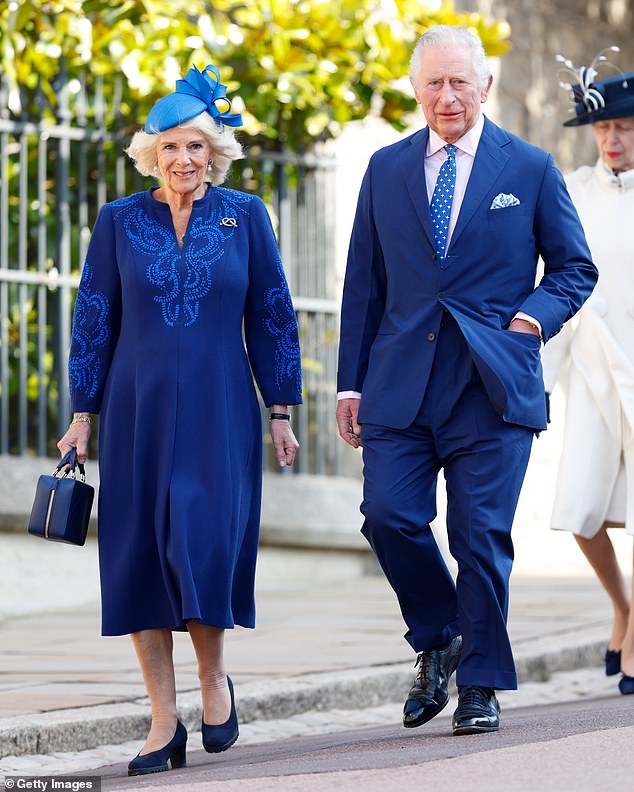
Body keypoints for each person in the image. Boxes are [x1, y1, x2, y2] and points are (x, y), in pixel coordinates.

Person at [336, 25, 597, 736]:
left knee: (480, 537)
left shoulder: (531, 168)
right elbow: (364, 284)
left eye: (460, 83)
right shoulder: (385, 169)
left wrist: (529, 322)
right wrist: (349, 385)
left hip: (491, 385)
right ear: (416, 90)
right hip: (399, 384)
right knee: (388, 517)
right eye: (434, 84)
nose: (447, 97)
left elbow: (575, 269)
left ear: (485, 87)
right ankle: (441, 635)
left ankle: (480, 684)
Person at [56, 64, 302, 775]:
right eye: (171, 147)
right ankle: (164, 721)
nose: (184, 160)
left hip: (220, 410)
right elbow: (94, 317)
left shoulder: (245, 216)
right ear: (151, 154)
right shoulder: (119, 221)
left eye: (196, 146)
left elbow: (274, 317)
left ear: (214, 153)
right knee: (138, 553)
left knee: (201, 542)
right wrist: (82, 413)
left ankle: (212, 681)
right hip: (136, 411)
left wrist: (280, 409)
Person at [542, 54, 634, 695]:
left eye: (625, 127)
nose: (613, 139)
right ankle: (622, 607)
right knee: (582, 511)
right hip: (591, 364)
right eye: (604, 129)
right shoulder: (571, 190)